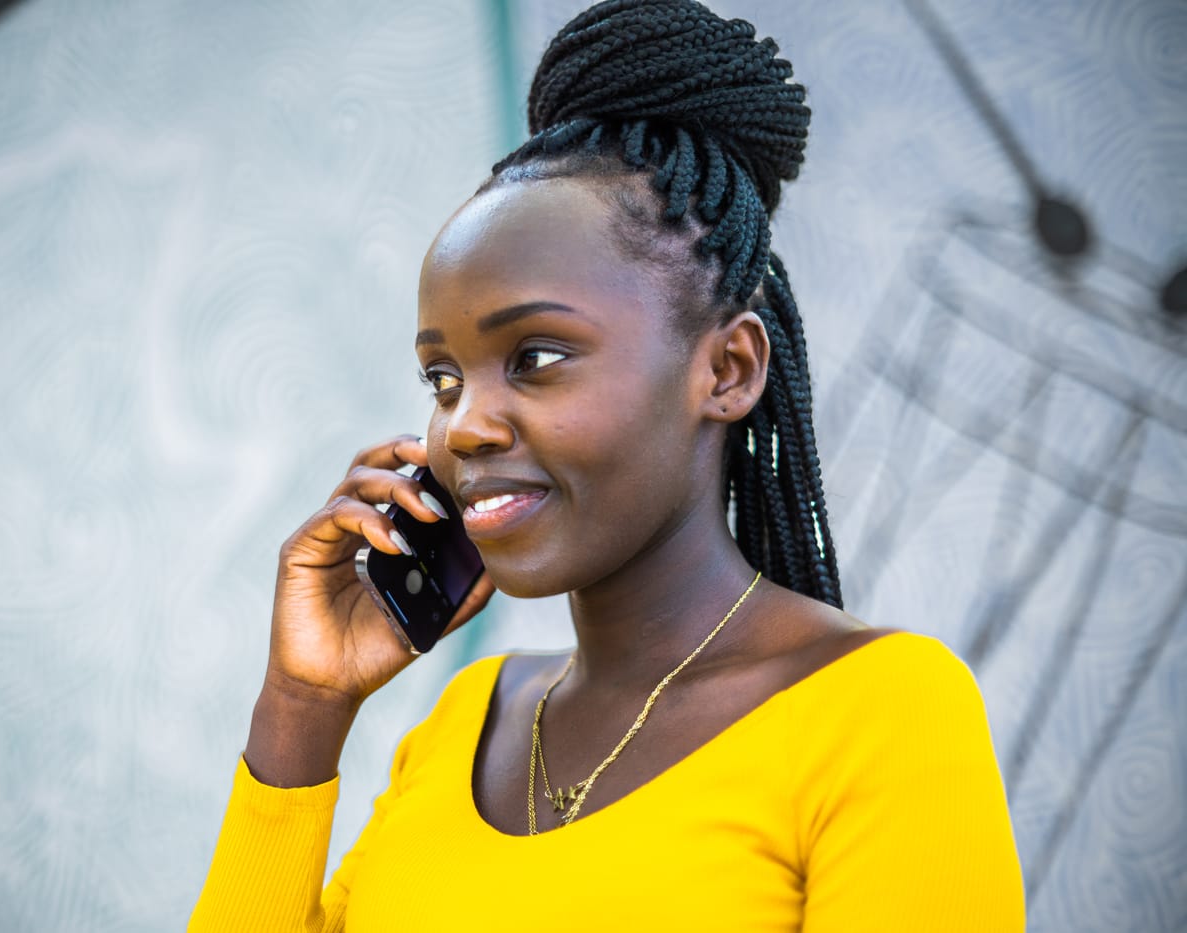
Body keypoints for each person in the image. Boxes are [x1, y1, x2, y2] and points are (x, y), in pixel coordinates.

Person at [189, 1, 1025, 929]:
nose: (461, 426)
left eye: (536, 357)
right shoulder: (466, 720)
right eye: (442, 376)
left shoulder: (882, 712)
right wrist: (303, 704)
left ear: (727, 369)